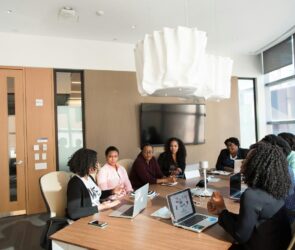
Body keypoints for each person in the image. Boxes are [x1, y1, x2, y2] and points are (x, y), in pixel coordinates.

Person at [207, 143, 291, 250]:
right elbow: (250, 221)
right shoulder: (276, 189)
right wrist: (221, 212)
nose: (242, 161)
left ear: (256, 165)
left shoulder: (251, 195)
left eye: (247, 159)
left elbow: (240, 236)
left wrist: (222, 209)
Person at [66, 148, 120, 220]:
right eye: (95, 161)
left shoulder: (89, 177)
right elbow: (74, 213)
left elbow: (95, 196)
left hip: (97, 214)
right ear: (86, 164)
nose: (97, 164)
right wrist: (102, 206)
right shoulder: (75, 183)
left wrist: (112, 191)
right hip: (87, 218)